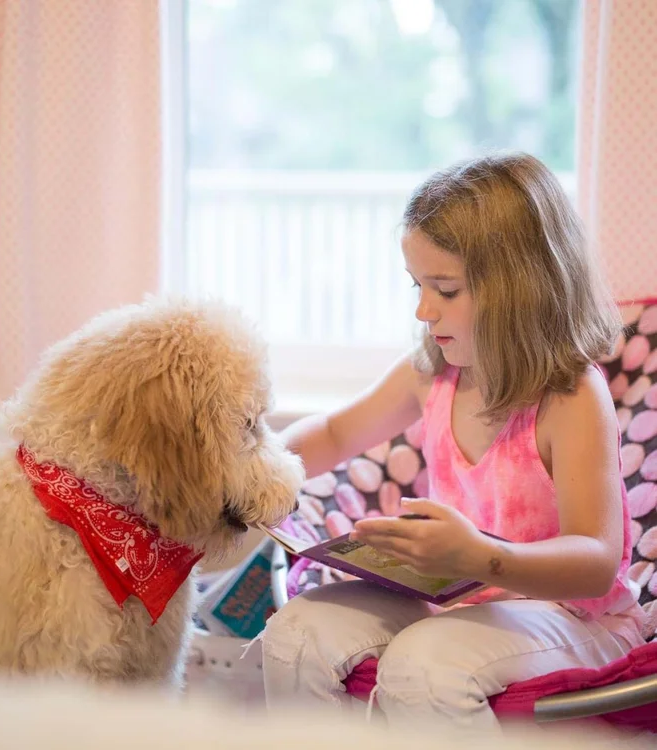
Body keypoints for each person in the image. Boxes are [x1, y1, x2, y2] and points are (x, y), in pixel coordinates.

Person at [260, 153, 646, 732]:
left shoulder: (570, 394)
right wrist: (259, 471)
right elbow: (338, 432)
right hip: (463, 603)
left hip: (576, 618)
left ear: (520, 291)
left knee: (424, 667)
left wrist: (477, 557)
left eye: (445, 288)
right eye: (418, 285)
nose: (422, 309)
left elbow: (595, 562)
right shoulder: (432, 369)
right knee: (296, 634)